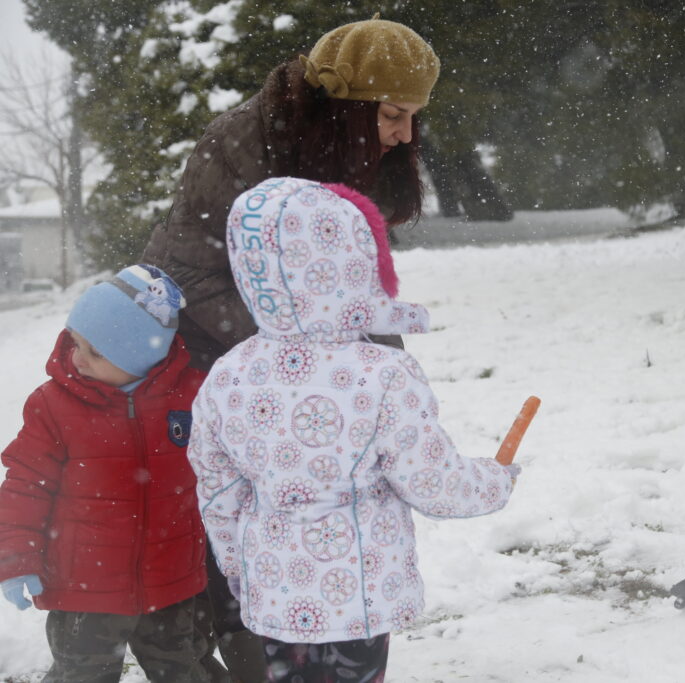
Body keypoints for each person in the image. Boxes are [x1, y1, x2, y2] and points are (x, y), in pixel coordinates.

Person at [141, 16, 441, 679]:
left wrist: (381, 368)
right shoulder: (241, 146)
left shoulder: (346, 150)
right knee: (248, 531)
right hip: (215, 363)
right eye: (393, 114)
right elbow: (190, 272)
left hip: (296, 367)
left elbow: (340, 284)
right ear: (347, 104)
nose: (404, 135)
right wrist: (295, 361)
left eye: (415, 117)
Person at [188, 176, 519, 682]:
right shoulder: (382, 373)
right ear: (352, 264)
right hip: (359, 596)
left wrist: (238, 563)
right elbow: (431, 481)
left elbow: (217, 486)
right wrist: (493, 481)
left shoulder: (230, 374)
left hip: (278, 589)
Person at [0, 265, 209, 682]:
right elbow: (25, 484)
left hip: (171, 579)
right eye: (76, 344)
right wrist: (16, 556)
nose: (78, 359)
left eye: (96, 352)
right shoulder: (53, 405)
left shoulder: (194, 397)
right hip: (84, 588)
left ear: (142, 355)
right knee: (82, 673)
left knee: (184, 668)